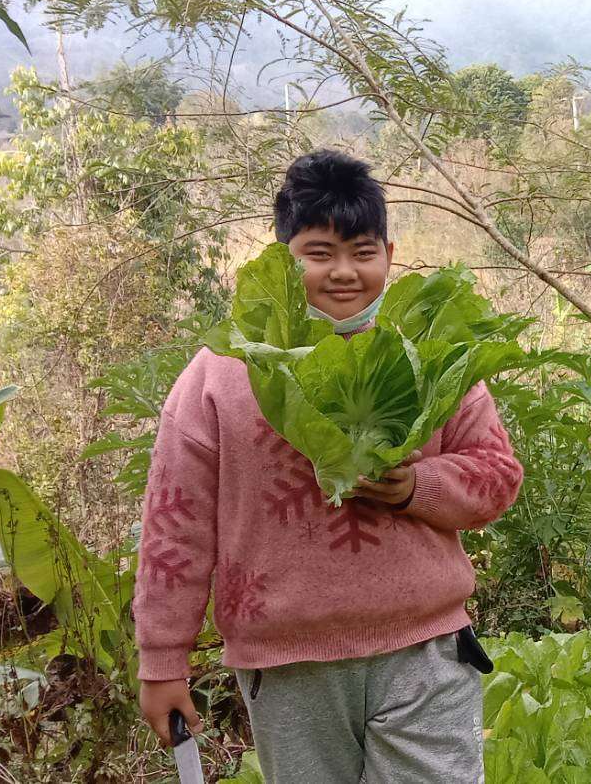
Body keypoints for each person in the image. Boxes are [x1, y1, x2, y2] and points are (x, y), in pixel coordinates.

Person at [134, 150, 523, 782]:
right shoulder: (220, 373)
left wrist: (413, 487)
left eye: (362, 251)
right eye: (320, 252)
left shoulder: (430, 355)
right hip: (288, 669)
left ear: (390, 257)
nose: (343, 272)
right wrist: (161, 660)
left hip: (424, 651)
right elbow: (174, 524)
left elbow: (496, 476)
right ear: (284, 256)